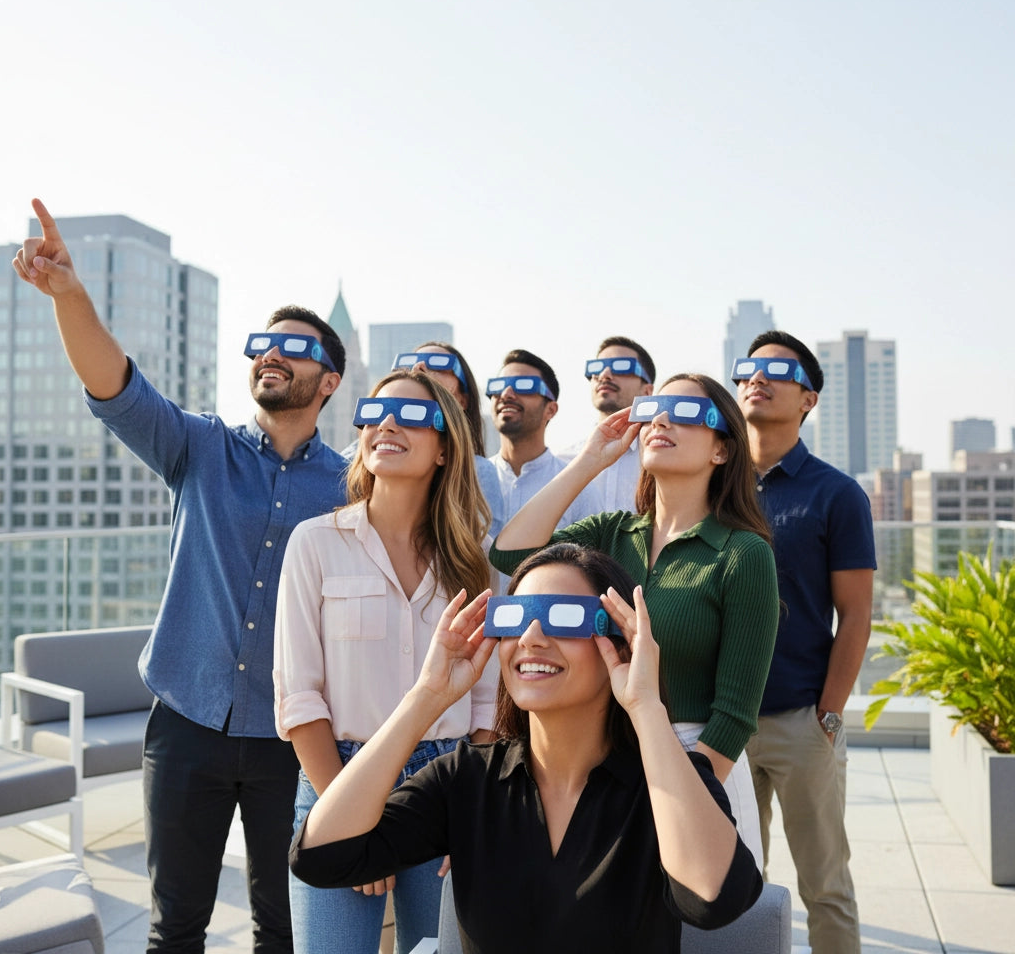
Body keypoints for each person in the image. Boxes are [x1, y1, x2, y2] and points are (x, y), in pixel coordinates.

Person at [13, 199, 349, 953]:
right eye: (263, 343)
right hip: (186, 724)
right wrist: (69, 294)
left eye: (293, 347)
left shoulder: (351, 488)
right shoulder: (199, 446)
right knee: (175, 930)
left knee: (284, 929)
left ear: (329, 381)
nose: (271, 354)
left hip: (293, 737)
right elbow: (115, 385)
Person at [288, 543, 762, 954]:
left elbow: (714, 898)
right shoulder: (467, 779)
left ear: (621, 645)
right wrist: (425, 698)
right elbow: (321, 855)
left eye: (564, 618)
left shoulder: (666, 784)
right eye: (514, 619)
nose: (532, 638)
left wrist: (645, 706)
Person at [491, 373, 779, 867]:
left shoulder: (743, 553)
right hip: (606, 760)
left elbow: (734, 715)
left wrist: (684, 795)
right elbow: (512, 553)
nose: (660, 420)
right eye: (652, 411)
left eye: (684, 412)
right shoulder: (612, 534)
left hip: (698, 759)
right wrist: (591, 460)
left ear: (722, 450)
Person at [274, 369, 497, 954]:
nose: (388, 424)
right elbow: (299, 698)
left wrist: (470, 813)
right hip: (336, 775)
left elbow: (486, 707)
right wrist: (350, 815)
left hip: (444, 784)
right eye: (374, 413)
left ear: (445, 447)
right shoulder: (313, 543)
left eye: (412, 415)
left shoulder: (473, 563)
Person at [734, 331, 876, 954]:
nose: (757, 379)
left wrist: (829, 713)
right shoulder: (715, 485)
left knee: (825, 885)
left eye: (778, 372)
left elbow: (857, 614)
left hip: (802, 718)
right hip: (724, 720)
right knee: (734, 886)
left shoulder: (836, 493)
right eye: (748, 369)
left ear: (809, 400)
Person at [390, 342, 505, 537]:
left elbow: (484, 550)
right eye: (410, 364)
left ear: (462, 400)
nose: (419, 368)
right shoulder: (367, 453)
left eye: (438, 367)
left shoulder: (478, 472)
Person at [487, 348, 602, 529]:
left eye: (524, 385)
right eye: (498, 386)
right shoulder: (467, 481)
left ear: (550, 410)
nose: (506, 393)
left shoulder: (578, 490)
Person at [558, 335, 656, 512]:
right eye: (597, 368)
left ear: (647, 391)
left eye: (621, 367)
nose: (604, 375)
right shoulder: (564, 462)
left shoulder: (660, 459)